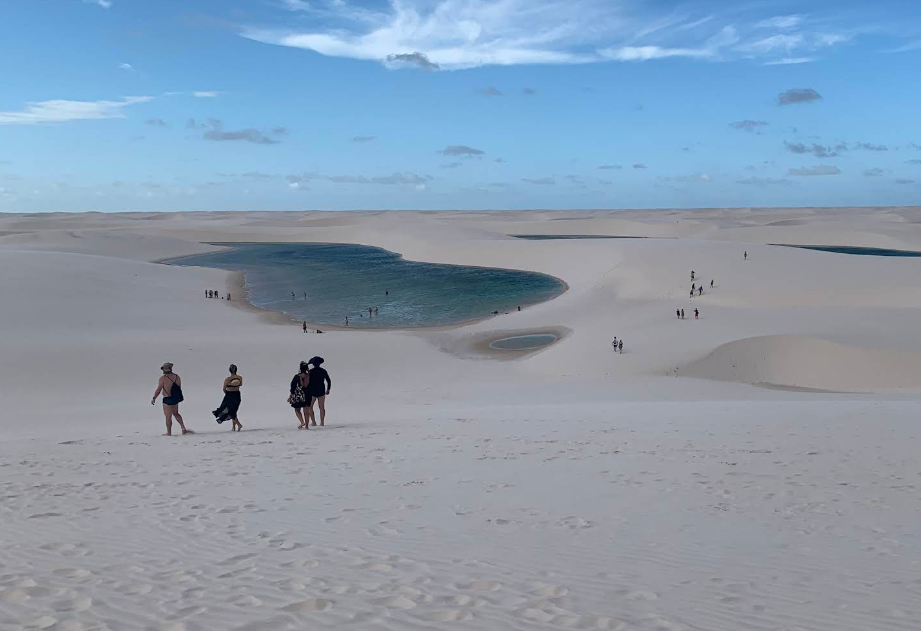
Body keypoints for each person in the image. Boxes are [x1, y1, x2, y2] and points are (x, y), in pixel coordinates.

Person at [152, 363, 191, 436]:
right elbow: (179, 387)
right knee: (176, 413)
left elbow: (158, 390)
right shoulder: (177, 377)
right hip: (175, 398)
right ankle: (183, 429)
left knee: (168, 417)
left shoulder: (163, 378)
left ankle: (169, 432)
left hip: (167, 399)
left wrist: (154, 398)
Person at [213, 364, 243, 431]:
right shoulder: (240, 377)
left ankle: (239, 425)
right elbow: (240, 384)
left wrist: (228, 394)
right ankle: (234, 427)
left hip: (229, 395)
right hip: (237, 395)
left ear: (230, 370)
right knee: (233, 411)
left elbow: (224, 389)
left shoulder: (227, 379)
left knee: (232, 411)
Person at [306, 356, 332, 427]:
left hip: (312, 391)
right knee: (321, 407)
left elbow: (307, 382)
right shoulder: (323, 371)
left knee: (310, 406)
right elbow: (328, 380)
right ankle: (322, 422)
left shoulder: (310, 372)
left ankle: (314, 422)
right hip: (321, 390)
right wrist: (328, 389)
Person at [289, 361, 311, 429]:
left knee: (297, 410)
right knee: (306, 411)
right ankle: (307, 425)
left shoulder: (297, 376)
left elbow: (293, 386)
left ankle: (302, 422)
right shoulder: (309, 376)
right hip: (307, 394)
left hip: (299, 395)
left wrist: (291, 394)